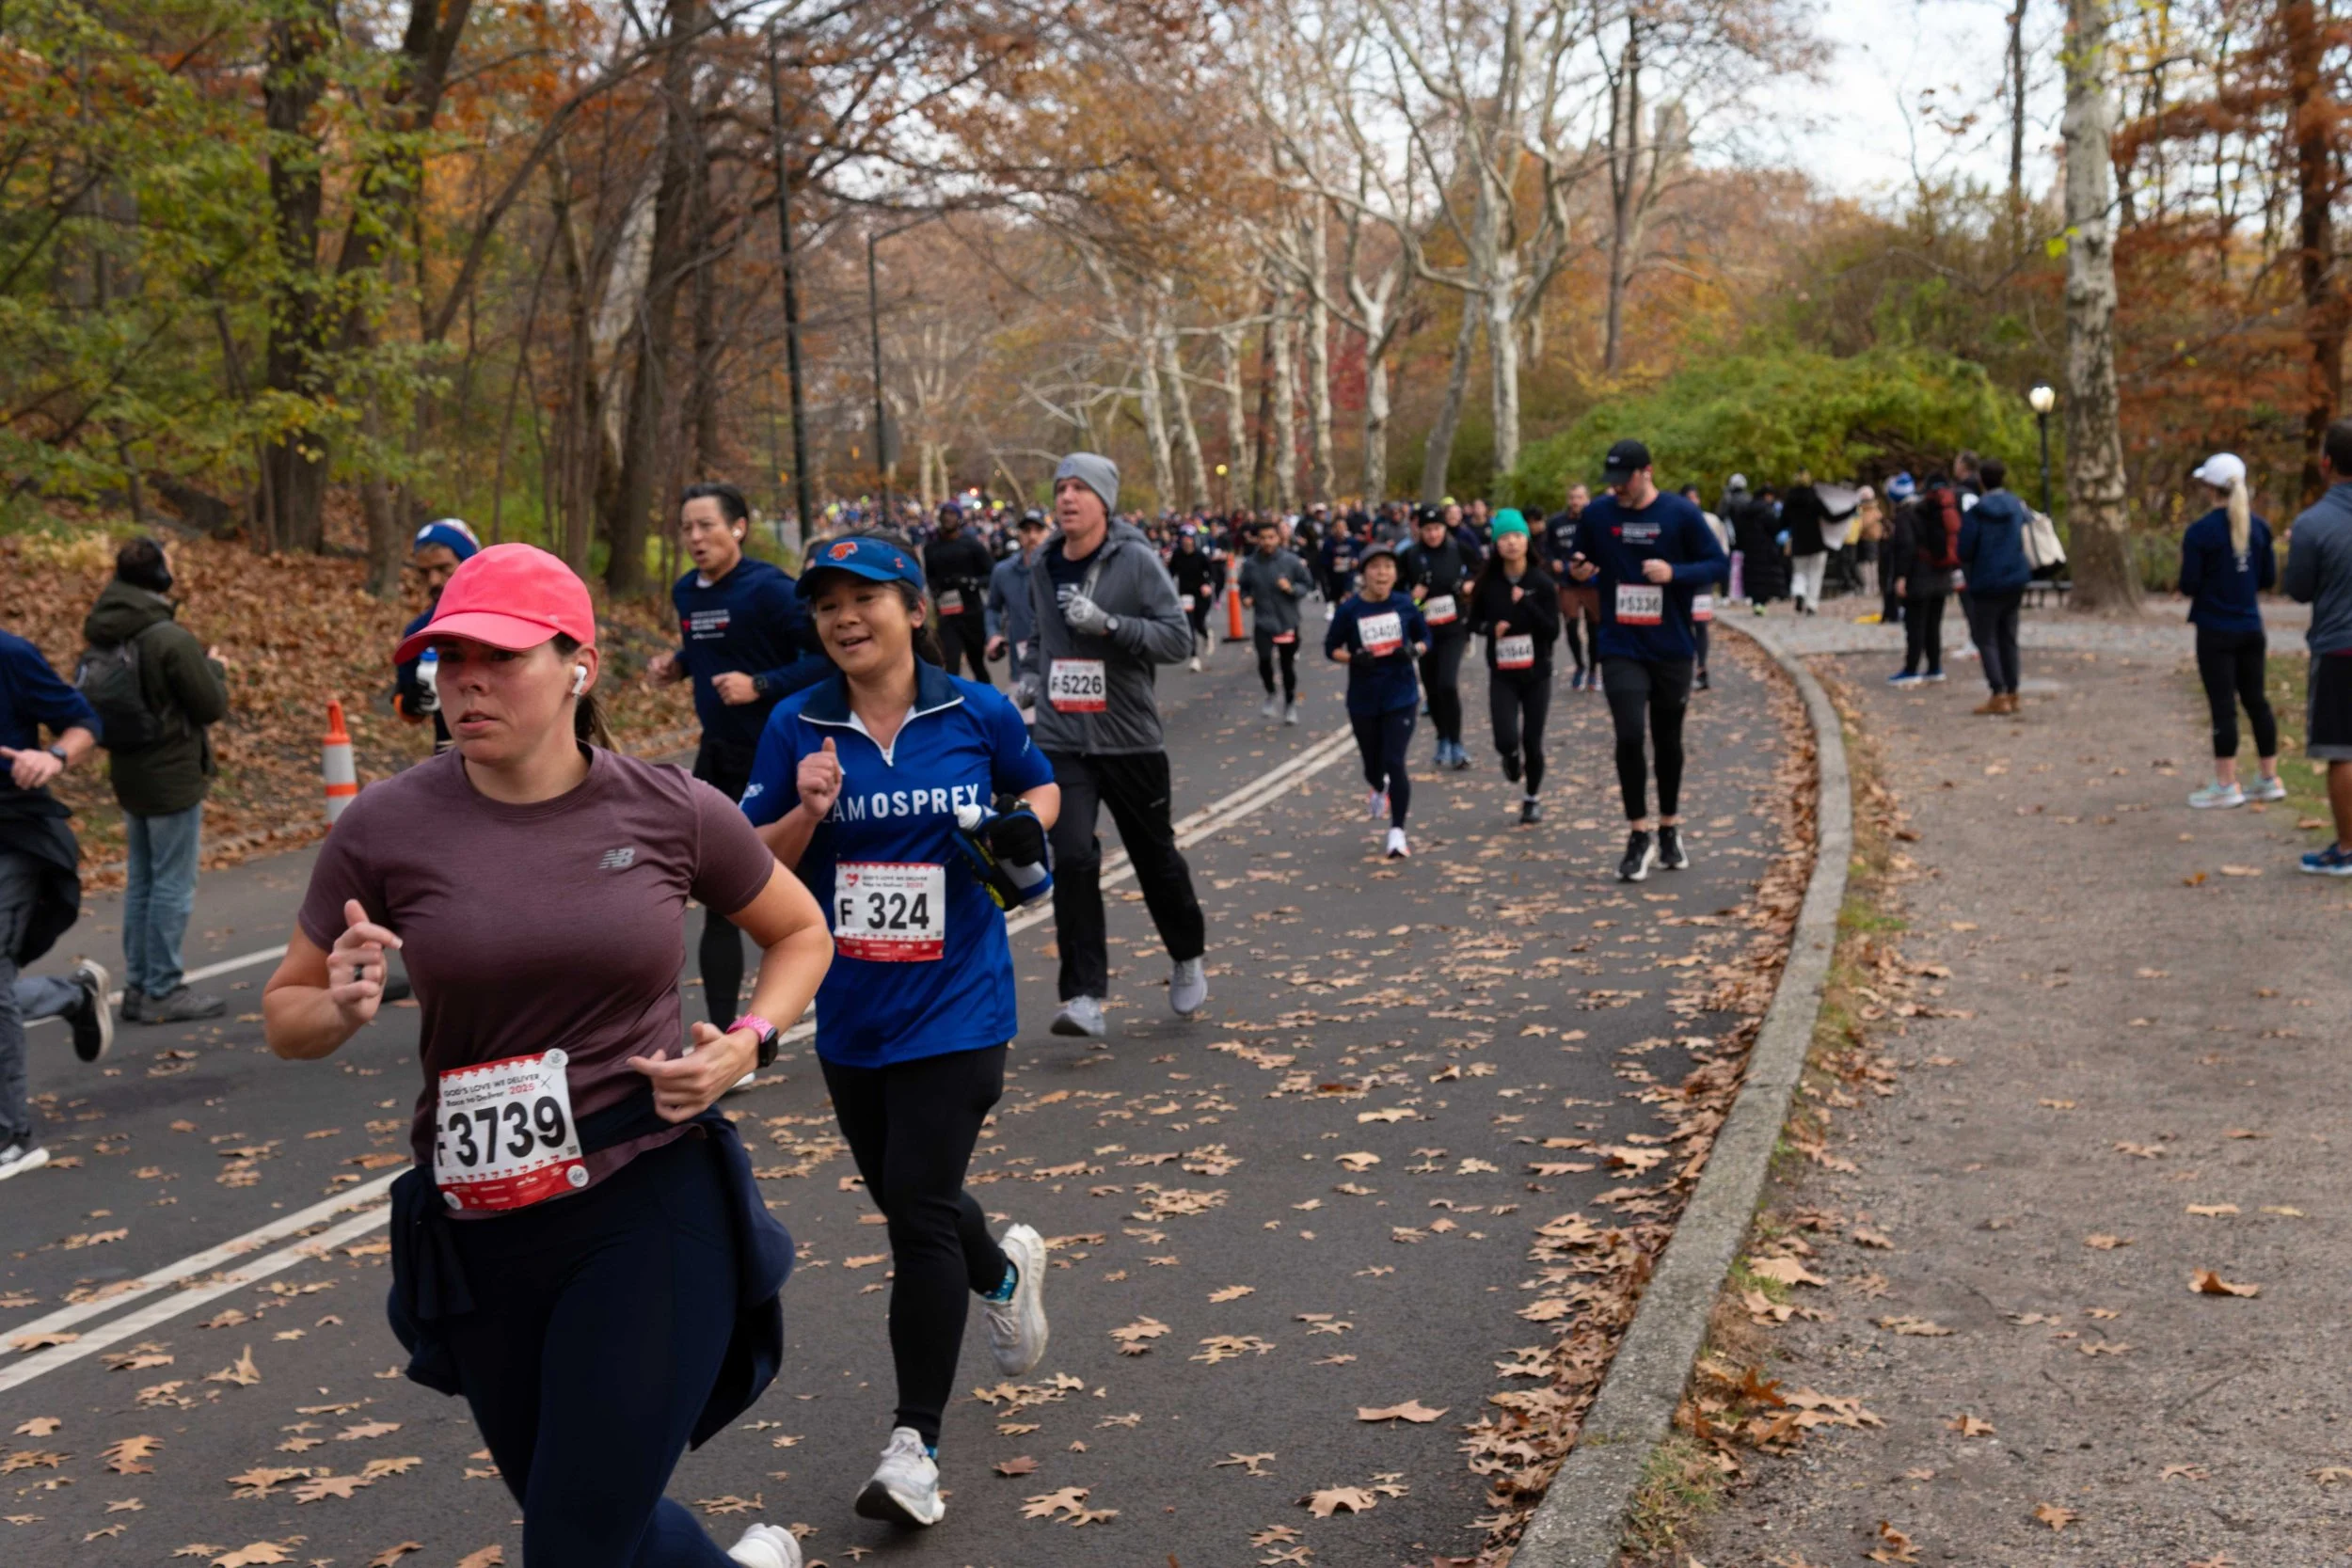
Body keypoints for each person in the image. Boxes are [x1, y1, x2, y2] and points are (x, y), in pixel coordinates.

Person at [263, 543, 834, 1568]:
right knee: (598, 1523)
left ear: (580, 666)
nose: (466, 682)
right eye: (449, 657)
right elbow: (285, 1012)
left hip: (645, 1198)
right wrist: (340, 1005)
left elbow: (800, 932)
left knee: (573, 1543)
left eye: (501, 656)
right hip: (480, 1223)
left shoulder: (667, 807)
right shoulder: (387, 824)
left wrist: (747, 1043)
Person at [739, 534, 1057, 1527]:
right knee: (913, 1197)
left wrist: (1022, 830)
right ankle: (1000, 1270)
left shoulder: (976, 709)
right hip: (854, 1012)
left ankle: (914, 1448)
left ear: (913, 609)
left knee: (916, 1213)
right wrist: (805, 811)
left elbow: (1039, 786)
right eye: (826, 603)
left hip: (962, 1003)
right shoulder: (796, 724)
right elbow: (747, 861)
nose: (844, 617)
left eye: (864, 597)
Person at [1026, 452, 1208, 1037]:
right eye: (1061, 488)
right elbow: (1037, 636)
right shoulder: (1042, 563)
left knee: (1155, 858)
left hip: (1129, 738)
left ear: (1104, 501)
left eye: (1080, 488)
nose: (1067, 498)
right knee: (1073, 857)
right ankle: (1083, 996)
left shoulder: (1135, 560)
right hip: (1062, 738)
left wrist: (1108, 624)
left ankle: (1186, 953)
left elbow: (1177, 640)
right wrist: (1028, 676)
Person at [646, 483, 827, 1044]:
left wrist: (761, 685)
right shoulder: (685, 591)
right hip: (717, 754)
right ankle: (725, 1030)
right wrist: (678, 665)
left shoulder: (771, 589)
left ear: (739, 528)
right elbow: (710, 647)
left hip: (773, 756)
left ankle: (831, 992)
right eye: (687, 528)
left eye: (707, 525)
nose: (695, 538)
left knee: (798, 880)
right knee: (717, 890)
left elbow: (823, 658)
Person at [81, 536, 230, 1023]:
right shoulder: (169, 638)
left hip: (128, 768)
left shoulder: (104, 630)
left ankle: (140, 985)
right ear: (159, 577)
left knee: (142, 881)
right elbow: (209, 705)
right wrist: (215, 669)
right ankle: (163, 986)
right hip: (170, 772)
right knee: (172, 884)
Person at [1568, 439, 1727, 882]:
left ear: (1647, 473)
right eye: (1612, 481)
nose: (1617, 489)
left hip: (1671, 645)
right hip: (1620, 644)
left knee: (1667, 739)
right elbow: (1577, 561)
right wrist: (1577, 569)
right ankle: (1638, 834)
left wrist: (1675, 573)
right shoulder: (1598, 514)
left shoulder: (1681, 513)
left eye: (1625, 480)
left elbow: (1717, 565)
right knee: (1629, 734)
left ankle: (1669, 826)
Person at [0, 630, 113, 1180]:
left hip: (11, 834)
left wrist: (53, 756)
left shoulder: (9, 656)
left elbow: (85, 723)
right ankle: (73, 995)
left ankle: (12, 1137)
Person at [2177, 453, 2284, 809]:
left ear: (2210, 488)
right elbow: (2268, 578)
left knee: (2223, 704)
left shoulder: (2200, 532)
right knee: (2257, 700)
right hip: (2251, 626)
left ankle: (2226, 782)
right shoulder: (2260, 528)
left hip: (2214, 629)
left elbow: (2189, 583)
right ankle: (2269, 777)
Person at [1327, 540, 1429, 859]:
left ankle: (1397, 833)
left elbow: (1426, 638)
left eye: (1388, 567)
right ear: (1364, 574)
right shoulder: (1350, 610)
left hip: (1401, 694)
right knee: (1373, 767)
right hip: (1364, 698)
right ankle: (1377, 785)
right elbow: (1331, 648)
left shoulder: (1405, 604)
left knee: (1395, 761)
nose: (1382, 574)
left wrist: (1413, 651)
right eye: (1375, 568)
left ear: (1395, 573)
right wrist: (1354, 658)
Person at [2284, 419, 2352, 875]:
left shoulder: (2313, 523)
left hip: (2340, 648)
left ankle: (2347, 848)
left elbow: (2299, 589)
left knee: (2343, 751)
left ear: (2326, 464)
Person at [1470, 510, 1559, 825]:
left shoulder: (1541, 582)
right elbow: (1473, 622)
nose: (1511, 543)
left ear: (1527, 541)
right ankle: (1509, 756)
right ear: (1496, 544)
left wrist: (1526, 603)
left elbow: (1552, 631)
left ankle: (1531, 799)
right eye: (1505, 537)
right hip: (1503, 673)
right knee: (1505, 738)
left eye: (1517, 536)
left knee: (1533, 741)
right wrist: (1489, 629)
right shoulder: (1488, 583)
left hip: (1537, 673)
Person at [1400, 503, 1479, 768]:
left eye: (1437, 528)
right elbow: (1396, 593)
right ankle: (1442, 736)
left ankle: (1457, 744)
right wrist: (1413, 597)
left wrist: (1470, 584)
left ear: (1445, 528)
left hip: (1454, 629)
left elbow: (1482, 570)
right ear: (1419, 530)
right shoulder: (1410, 556)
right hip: (1424, 632)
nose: (1433, 534)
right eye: (1428, 529)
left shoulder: (1459, 550)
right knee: (1432, 689)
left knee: (1448, 684)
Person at [394, 518, 482, 752]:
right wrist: (411, 704)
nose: (433, 581)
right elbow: (404, 706)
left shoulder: (510, 618)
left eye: (443, 569)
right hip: (450, 754)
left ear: (470, 565)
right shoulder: (419, 631)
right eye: (424, 573)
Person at [1958, 457, 2031, 716]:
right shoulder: (2016, 506)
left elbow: (1964, 549)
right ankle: (2013, 691)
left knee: (1986, 638)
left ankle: (1998, 692)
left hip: (1986, 580)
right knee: (2008, 636)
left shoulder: (1977, 511)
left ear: (1981, 480)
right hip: (2015, 577)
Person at [1238, 517, 1311, 723]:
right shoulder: (1251, 564)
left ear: (1278, 538)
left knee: (1287, 665)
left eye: (1271, 537)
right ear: (1257, 540)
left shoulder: (1291, 561)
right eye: (1263, 538)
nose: (1267, 542)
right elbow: (1244, 587)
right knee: (1264, 661)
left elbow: (1307, 584)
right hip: (1263, 622)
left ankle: (1290, 703)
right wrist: (1245, 598)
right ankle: (1271, 692)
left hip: (1287, 621)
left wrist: (1291, 588)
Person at [1885, 477, 1953, 687]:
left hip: (1918, 577)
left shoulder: (1906, 515)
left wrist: (1901, 576)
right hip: (1941, 575)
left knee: (1915, 625)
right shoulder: (1934, 510)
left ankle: (1911, 668)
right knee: (1934, 625)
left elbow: (1906, 546)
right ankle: (1934, 667)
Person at [924, 503, 996, 684]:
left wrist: (971, 582)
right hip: (947, 614)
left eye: (952, 514)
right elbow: (929, 576)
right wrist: (936, 588)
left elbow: (991, 574)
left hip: (971, 612)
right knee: (951, 664)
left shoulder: (972, 545)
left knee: (976, 663)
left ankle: (987, 697)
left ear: (959, 519)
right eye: (944, 514)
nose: (947, 518)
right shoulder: (931, 548)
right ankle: (953, 699)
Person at [985, 509, 1050, 705]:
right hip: (1021, 664)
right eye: (1027, 530)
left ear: (1048, 533)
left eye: (1038, 530)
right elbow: (993, 607)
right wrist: (993, 634)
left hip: (1059, 663)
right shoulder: (1003, 571)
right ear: (1019, 534)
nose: (1032, 536)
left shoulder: (1061, 569)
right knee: (1025, 718)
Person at [1683, 484, 1731, 690]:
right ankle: (1683, 669)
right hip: (1682, 580)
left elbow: (1723, 551)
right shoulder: (1675, 521)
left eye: (1695, 497)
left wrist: (1718, 575)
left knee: (1701, 624)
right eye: (1688, 498)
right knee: (1684, 624)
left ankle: (1702, 669)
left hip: (1703, 580)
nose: (1693, 502)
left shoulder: (1712, 521)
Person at [1169, 526, 1222, 672]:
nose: (1187, 542)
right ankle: (1194, 658)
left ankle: (1206, 634)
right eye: (1184, 539)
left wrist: (1207, 585)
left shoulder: (1200, 556)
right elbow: (1170, 573)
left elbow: (1212, 572)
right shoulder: (1177, 555)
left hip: (1201, 594)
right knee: (1189, 625)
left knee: (1199, 623)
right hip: (1185, 594)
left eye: (1189, 539)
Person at [1781, 469, 1831, 615]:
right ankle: (1811, 604)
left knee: (1799, 571)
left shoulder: (1790, 500)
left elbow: (1783, 521)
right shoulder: (1814, 498)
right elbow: (1830, 517)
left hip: (1798, 541)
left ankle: (1799, 591)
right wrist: (1849, 510)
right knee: (1816, 573)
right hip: (1816, 541)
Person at [1878, 474, 1915, 626]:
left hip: (1901, 563)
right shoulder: (1914, 511)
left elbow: (1906, 544)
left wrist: (1901, 575)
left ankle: (1896, 611)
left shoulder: (1903, 516)